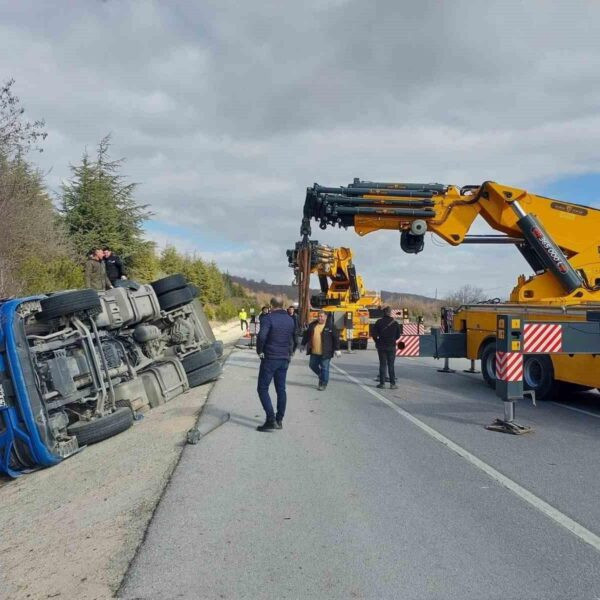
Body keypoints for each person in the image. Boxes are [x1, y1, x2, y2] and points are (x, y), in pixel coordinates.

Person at [256, 296, 297, 431]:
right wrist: (290, 353)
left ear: (271, 305)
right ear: (283, 304)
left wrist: (259, 350)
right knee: (281, 389)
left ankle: (270, 419)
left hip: (270, 358)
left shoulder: (268, 318)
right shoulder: (290, 319)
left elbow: (262, 336)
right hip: (284, 358)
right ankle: (279, 420)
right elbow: (293, 338)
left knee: (262, 388)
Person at [301, 310, 341, 391]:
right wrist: (303, 344)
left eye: (321, 316)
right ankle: (321, 375)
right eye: (318, 316)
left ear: (325, 317)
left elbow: (336, 338)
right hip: (314, 351)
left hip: (326, 352)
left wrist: (337, 349)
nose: (320, 318)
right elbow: (306, 335)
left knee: (325, 368)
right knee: (312, 365)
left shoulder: (331, 326)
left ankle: (323, 383)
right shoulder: (313, 325)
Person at [372, 306, 401, 389]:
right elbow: (398, 335)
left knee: (382, 365)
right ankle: (392, 384)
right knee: (391, 365)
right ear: (390, 312)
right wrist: (392, 339)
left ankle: (382, 384)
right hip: (391, 346)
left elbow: (374, 334)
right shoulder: (395, 323)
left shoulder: (378, 322)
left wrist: (377, 342)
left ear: (383, 313)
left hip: (381, 346)